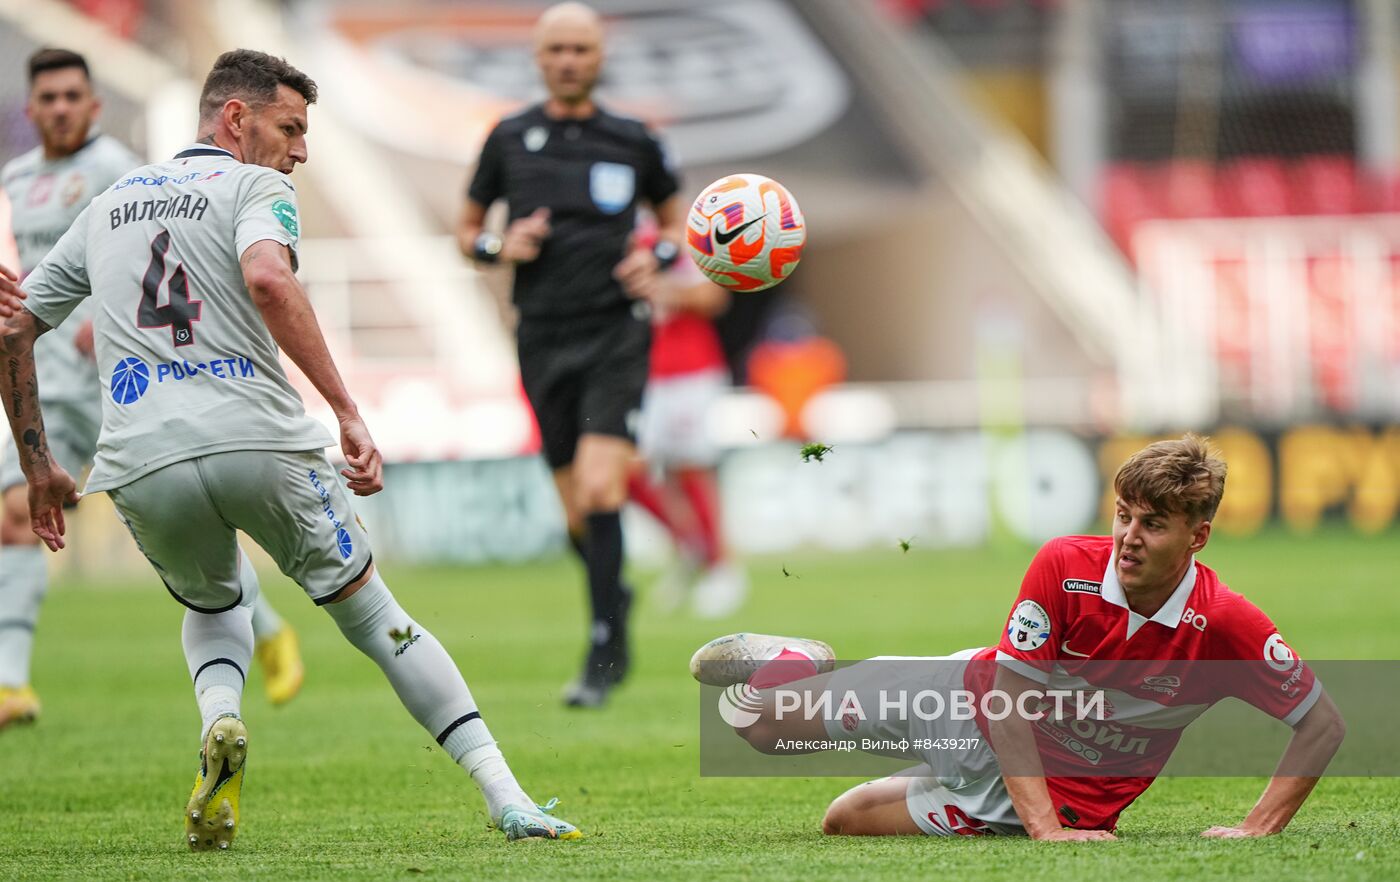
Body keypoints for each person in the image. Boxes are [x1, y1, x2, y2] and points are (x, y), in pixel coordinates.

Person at [0, 49, 578, 848]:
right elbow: (269, 280)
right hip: (258, 441)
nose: (301, 150)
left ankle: (223, 720)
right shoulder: (255, 186)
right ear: (235, 118)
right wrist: (347, 410)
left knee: (214, 603)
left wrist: (36, 464)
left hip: (140, 460)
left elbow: (14, 325)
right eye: (291, 128)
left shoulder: (108, 202)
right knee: (375, 616)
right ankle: (508, 796)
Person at [691, 435, 1346, 839]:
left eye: (1153, 524)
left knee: (842, 822)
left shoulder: (1225, 624)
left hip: (1023, 801)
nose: (1129, 538)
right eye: (1123, 516)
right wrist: (1046, 833)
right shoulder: (1065, 566)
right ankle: (799, 662)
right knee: (758, 727)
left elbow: (1321, 724)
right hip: (960, 706)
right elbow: (1006, 704)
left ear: (1196, 537)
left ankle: (955, 792)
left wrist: (1257, 829)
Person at [0, 48, 304, 732]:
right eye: (46, 98)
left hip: (126, 376)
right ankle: (11, 683)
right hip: (51, 375)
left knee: (178, 525)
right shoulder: (15, 177)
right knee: (15, 514)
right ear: (31, 109)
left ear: (93, 105)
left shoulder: (117, 172)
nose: (59, 109)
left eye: (71, 96)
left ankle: (269, 626)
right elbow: (29, 285)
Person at [457, 2, 682, 706]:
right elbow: (467, 230)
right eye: (556, 49)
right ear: (538, 58)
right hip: (541, 332)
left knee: (600, 487)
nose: (568, 60)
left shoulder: (632, 138)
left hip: (616, 329)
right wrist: (501, 246)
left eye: (581, 49)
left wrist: (661, 257)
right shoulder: (509, 136)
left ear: (599, 56)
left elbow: (674, 220)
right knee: (576, 511)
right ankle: (615, 592)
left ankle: (603, 649)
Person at [626, 225, 746, 618]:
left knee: (691, 467)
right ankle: (691, 545)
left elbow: (714, 295)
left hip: (688, 370)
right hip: (636, 369)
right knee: (626, 471)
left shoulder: (678, 242)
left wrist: (664, 291)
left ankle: (721, 568)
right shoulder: (608, 237)